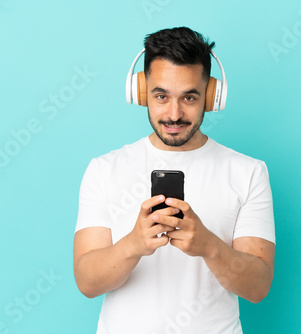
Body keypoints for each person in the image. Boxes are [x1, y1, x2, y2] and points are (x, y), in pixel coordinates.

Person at [73, 26, 275, 334]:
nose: (174, 113)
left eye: (189, 97)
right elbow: (87, 282)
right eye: (161, 96)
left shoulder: (248, 172)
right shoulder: (104, 169)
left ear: (210, 96)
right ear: (141, 92)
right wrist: (133, 244)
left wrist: (209, 246)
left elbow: (258, 287)